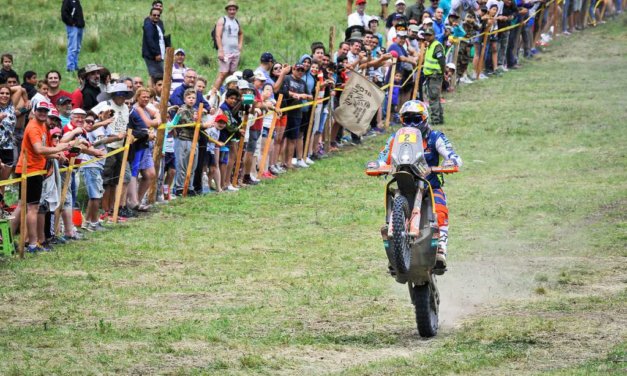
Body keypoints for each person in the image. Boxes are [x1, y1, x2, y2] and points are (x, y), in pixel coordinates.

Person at [377, 100, 462, 272]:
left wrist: (451, 161)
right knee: (391, 205)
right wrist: (377, 165)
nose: (411, 124)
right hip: (404, 183)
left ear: (424, 119)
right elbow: (384, 155)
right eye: (407, 120)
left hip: (430, 185)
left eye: (416, 119)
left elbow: (452, 154)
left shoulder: (435, 137)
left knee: (440, 209)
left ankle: (440, 249)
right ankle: (395, 250)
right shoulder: (395, 138)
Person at [11, 102, 71, 253]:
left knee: (22, 206)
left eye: (45, 111)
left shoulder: (43, 125)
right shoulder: (33, 127)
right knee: (32, 208)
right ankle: (32, 244)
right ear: (35, 110)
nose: (43, 113)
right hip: (31, 170)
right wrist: (60, 148)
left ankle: (8, 239)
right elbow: (38, 149)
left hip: (35, 169)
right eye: (40, 110)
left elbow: (42, 152)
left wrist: (56, 155)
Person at [211, 1, 243, 94]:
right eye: (230, 9)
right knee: (223, 73)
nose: (232, 11)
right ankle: (213, 92)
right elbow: (218, 35)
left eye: (233, 9)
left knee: (231, 74)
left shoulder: (236, 21)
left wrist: (240, 44)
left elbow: (241, 33)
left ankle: (226, 92)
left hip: (235, 51)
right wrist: (221, 50)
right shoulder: (222, 20)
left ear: (236, 10)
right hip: (225, 51)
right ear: (227, 10)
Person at [421, 27, 445, 124]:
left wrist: (441, 73)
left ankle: (436, 120)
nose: (427, 37)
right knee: (435, 98)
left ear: (433, 35)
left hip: (435, 76)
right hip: (430, 76)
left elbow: (442, 61)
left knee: (433, 98)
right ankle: (439, 119)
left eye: (429, 35)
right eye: (426, 35)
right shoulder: (429, 46)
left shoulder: (436, 46)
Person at [142, 7, 167, 80]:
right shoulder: (149, 26)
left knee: (159, 76)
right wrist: (156, 53)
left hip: (159, 55)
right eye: (154, 15)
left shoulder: (156, 25)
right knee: (155, 76)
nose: (156, 17)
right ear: (150, 16)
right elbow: (150, 41)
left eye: (158, 15)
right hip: (153, 57)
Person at [61, 0, 85, 73]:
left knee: (77, 48)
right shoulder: (67, 1)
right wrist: (71, 22)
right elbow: (64, 14)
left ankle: (75, 65)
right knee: (72, 47)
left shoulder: (77, 1)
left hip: (80, 26)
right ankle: (70, 67)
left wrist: (82, 23)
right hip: (72, 27)